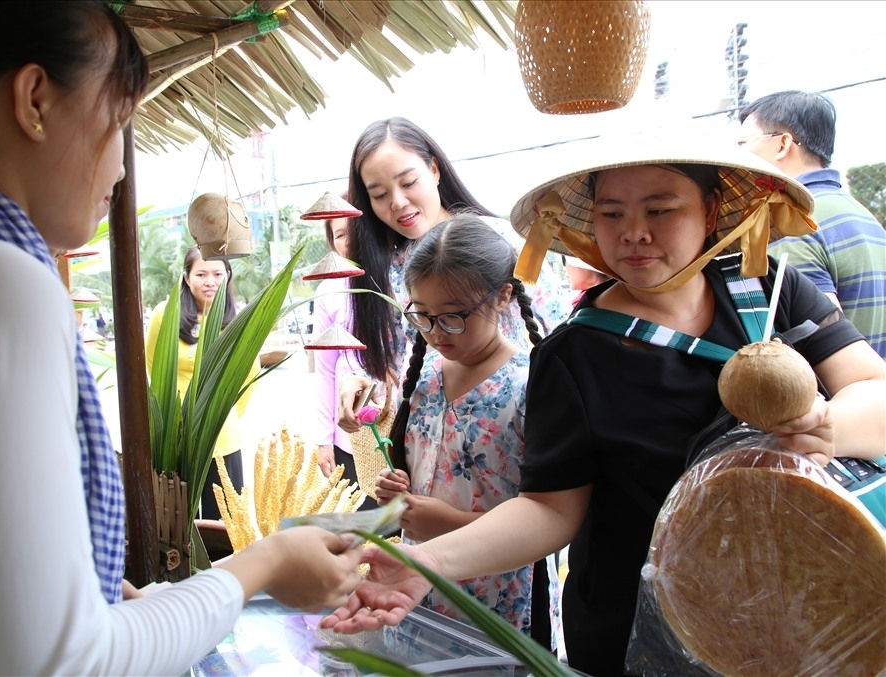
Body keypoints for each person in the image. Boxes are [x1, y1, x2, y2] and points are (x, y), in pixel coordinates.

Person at [0, 3, 363, 675]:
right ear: (34, 100)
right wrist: (263, 563)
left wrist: (106, 610)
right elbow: (57, 665)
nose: (119, 168)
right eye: (117, 121)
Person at [321, 127, 886, 676]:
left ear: (711, 210)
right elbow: (549, 508)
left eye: (660, 210)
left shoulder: (768, 291)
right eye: (612, 214)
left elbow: (873, 391)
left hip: (804, 613)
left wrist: (823, 425)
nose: (634, 233)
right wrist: (431, 562)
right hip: (636, 638)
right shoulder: (574, 353)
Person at [373, 214, 558, 644]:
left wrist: (450, 522)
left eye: (454, 317)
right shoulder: (424, 375)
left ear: (503, 297)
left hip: (494, 602)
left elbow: (548, 515)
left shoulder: (529, 385)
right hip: (415, 590)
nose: (437, 333)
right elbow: (425, 467)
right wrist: (397, 485)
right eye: (423, 316)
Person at [338, 117, 569, 424]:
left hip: (516, 422)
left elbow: (562, 328)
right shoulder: (387, 269)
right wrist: (361, 383)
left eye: (408, 183)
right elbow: (389, 368)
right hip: (432, 427)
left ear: (434, 170)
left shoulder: (502, 241)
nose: (397, 202)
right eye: (379, 195)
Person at [738, 90, 886, 357]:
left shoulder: (791, 222)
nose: (738, 156)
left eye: (743, 143)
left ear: (782, 144)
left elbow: (815, 341)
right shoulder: (861, 214)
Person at [144, 245, 260, 517]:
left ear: (228, 276)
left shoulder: (238, 322)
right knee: (175, 521)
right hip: (175, 435)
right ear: (186, 277)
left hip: (221, 435)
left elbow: (249, 376)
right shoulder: (165, 313)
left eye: (218, 274)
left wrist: (223, 413)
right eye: (201, 274)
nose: (210, 282)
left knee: (224, 523)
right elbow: (152, 364)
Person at [312, 213, 377, 509]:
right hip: (348, 433)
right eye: (339, 234)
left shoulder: (397, 278)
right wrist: (323, 439)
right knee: (360, 527)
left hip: (395, 426)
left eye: (353, 230)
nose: (348, 241)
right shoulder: (328, 291)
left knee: (399, 528)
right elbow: (324, 371)